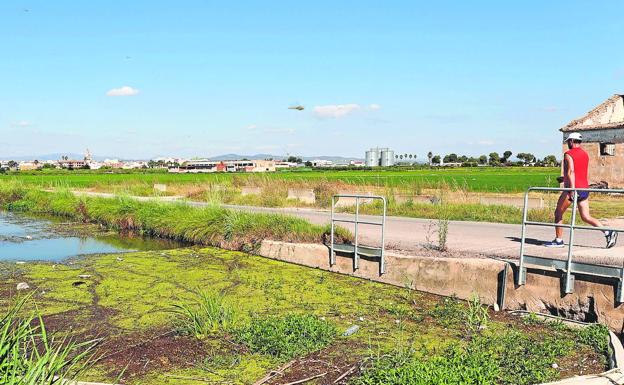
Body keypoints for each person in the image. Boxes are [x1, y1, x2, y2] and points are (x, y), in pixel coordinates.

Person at [545, 132, 618, 248]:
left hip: (572, 189)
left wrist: (572, 189)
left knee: (558, 212)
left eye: (568, 141)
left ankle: (558, 241)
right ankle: (608, 232)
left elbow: (571, 172)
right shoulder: (585, 154)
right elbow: (579, 172)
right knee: (586, 217)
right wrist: (564, 179)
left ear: (572, 141)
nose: (568, 143)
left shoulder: (568, 154)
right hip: (584, 188)